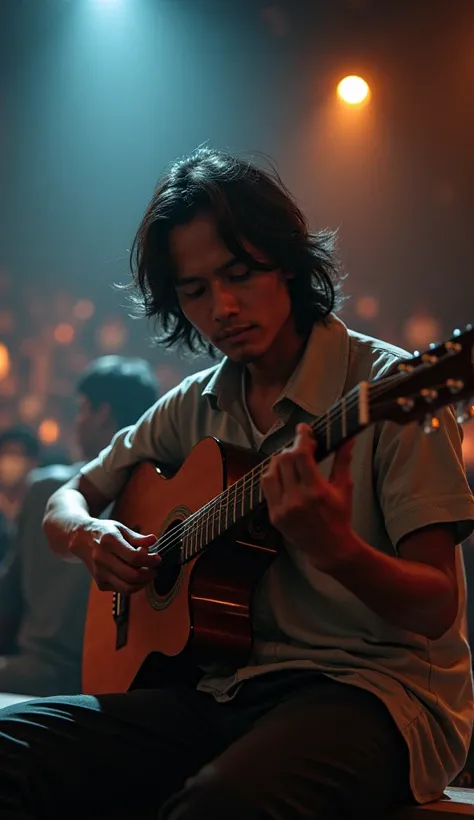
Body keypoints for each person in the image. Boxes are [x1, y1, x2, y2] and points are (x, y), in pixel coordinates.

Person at [0, 148, 473, 820]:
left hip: (378, 695)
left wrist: (339, 549)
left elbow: (435, 607)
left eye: (239, 273)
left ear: (285, 261)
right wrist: (90, 534)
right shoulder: (193, 406)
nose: (222, 307)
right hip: (222, 691)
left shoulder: (390, 389)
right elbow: (64, 499)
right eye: (194, 291)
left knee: (218, 808)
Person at [0, 356, 160, 698]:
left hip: (34, 674)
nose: (78, 422)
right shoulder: (157, 497)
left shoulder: (46, 489)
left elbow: (8, 598)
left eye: (82, 409)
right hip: (115, 682)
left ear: (102, 413)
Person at [0, 426, 41, 529]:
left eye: (16, 454)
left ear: (33, 463)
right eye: (5, 454)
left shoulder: (40, 507)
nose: (9, 462)